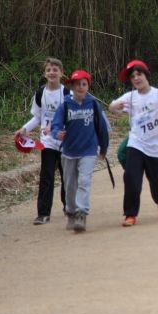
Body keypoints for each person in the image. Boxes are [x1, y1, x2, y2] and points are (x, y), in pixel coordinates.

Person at [109, 60, 158, 227]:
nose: (136, 78)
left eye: (139, 74)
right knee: (131, 178)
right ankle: (130, 214)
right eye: (132, 76)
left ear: (146, 74)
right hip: (136, 143)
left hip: (156, 147)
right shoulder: (130, 97)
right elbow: (112, 107)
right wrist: (115, 105)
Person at [50, 70, 109, 233]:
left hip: (89, 150)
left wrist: (103, 148)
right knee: (69, 185)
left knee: (84, 181)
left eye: (84, 84)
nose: (80, 87)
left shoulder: (94, 104)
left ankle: (82, 213)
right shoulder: (65, 105)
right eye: (77, 84)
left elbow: (102, 129)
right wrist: (57, 133)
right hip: (69, 151)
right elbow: (55, 125)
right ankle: (71, 212)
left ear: (88, 86)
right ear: (72, 86)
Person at [16, 57, 69, 225]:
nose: (52, 72)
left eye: (55, 70)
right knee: (46, 176)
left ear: (61, 73)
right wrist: (24, 129)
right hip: (48, 141)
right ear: (44, 74)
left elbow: (72, 116)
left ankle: (69, 207)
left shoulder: (68, 93)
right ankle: (43, 213)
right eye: (48, 70)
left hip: (66, 141)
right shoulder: (40, 93)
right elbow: (37, 117)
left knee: (67, 176)